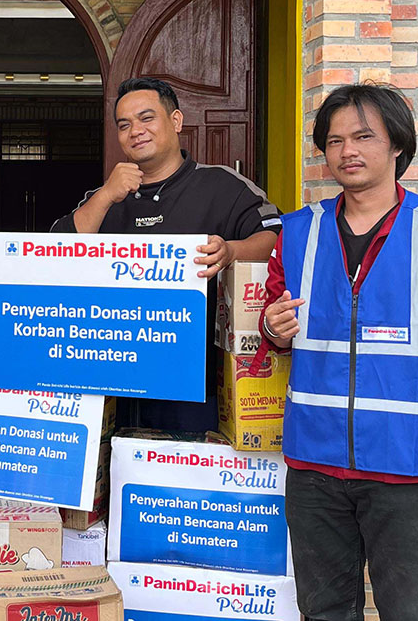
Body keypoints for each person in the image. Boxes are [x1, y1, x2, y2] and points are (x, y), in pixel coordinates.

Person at [259, 83, 418, 620]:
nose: (348, 151)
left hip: (407, 464)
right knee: (324, 610)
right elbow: (277, 326)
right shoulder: (296, 232)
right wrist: (274, 329)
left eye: (363, 136)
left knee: (408, 610)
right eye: (335, 141)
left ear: (396, 147)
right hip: (313, 462)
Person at [51, 77, 281, 433]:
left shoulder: (220, 185)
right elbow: (52, 256)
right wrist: (106, 195)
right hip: (114, 376)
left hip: (196, 382)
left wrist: (232, 250)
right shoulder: (105, 197)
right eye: (124, 125)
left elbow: (275, 236)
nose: (135, 131)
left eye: (146, 118)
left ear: (175, 121)